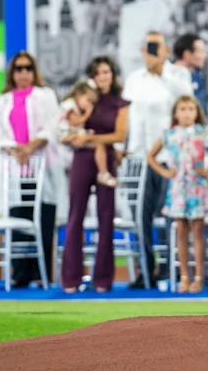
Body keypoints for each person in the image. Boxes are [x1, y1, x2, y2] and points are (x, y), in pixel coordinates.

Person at [123, 31, 194, 288]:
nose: (153, 52)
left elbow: (187, 104)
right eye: (149, 46)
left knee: (169, 216)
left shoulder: (178, 76)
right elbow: (127, 117)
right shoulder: (133, 80)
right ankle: (145, 268)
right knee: (139, 217)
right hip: (138, 157)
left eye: (158, 47)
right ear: (143, 50)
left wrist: (162, 71)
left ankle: (167, 269)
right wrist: (123, 148)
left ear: (166, 51)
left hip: (168, 158)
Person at [0, 51, 63, 288]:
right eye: (19, 68)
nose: (24, 73)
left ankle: (41, 273)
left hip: (43, 164)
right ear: (12, 72)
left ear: (34, 71)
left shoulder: (45, 95)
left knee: (43, 218)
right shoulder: (3, 100)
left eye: (28, 68)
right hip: (14, 168)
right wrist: (16, 150)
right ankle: (20, 273)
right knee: (18, 219)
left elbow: (53, 126)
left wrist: (31, 147)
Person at [147, 95, 208, 293]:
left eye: (191, 109)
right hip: (178, 188)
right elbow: (150, 156)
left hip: (197, 186)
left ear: (197, 112)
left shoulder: (204, 132)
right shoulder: (169, 134)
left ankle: (200, 276)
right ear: (176, 113)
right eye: (182, 109)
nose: (187, 113)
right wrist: (165, 172)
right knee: (180, 231)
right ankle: (184, 276)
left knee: (198, 231)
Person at [60, 56, 129, 293]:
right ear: (92, 76)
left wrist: (89, 138)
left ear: (113, 75)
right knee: (75, 216)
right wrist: (74, 137)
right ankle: (71, 279)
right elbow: (67, 129)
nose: (103, 76)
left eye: (107, 72)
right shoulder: (82, 101)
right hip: (81, 160)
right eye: (99, 72)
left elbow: (119, 136)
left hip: (106, 162)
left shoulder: (120, 104)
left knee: (106, 219)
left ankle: (102, 280)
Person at [57, 79, 118, 188]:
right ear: (80, 95)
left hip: (73, 135)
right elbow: (75, 122)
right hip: (67, 136)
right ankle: (103, 173)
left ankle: (103, 173)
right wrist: (88, 114)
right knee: (95, 141)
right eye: (88, 101)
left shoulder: (76, 107)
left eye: (92, 103)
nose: (90, 105)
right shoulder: (70, 106)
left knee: (99, 144)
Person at [173, 33, 208, 117]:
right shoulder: (168, 77)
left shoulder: (198, 78)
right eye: (201, 51)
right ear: (187, 54)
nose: (205, 56)